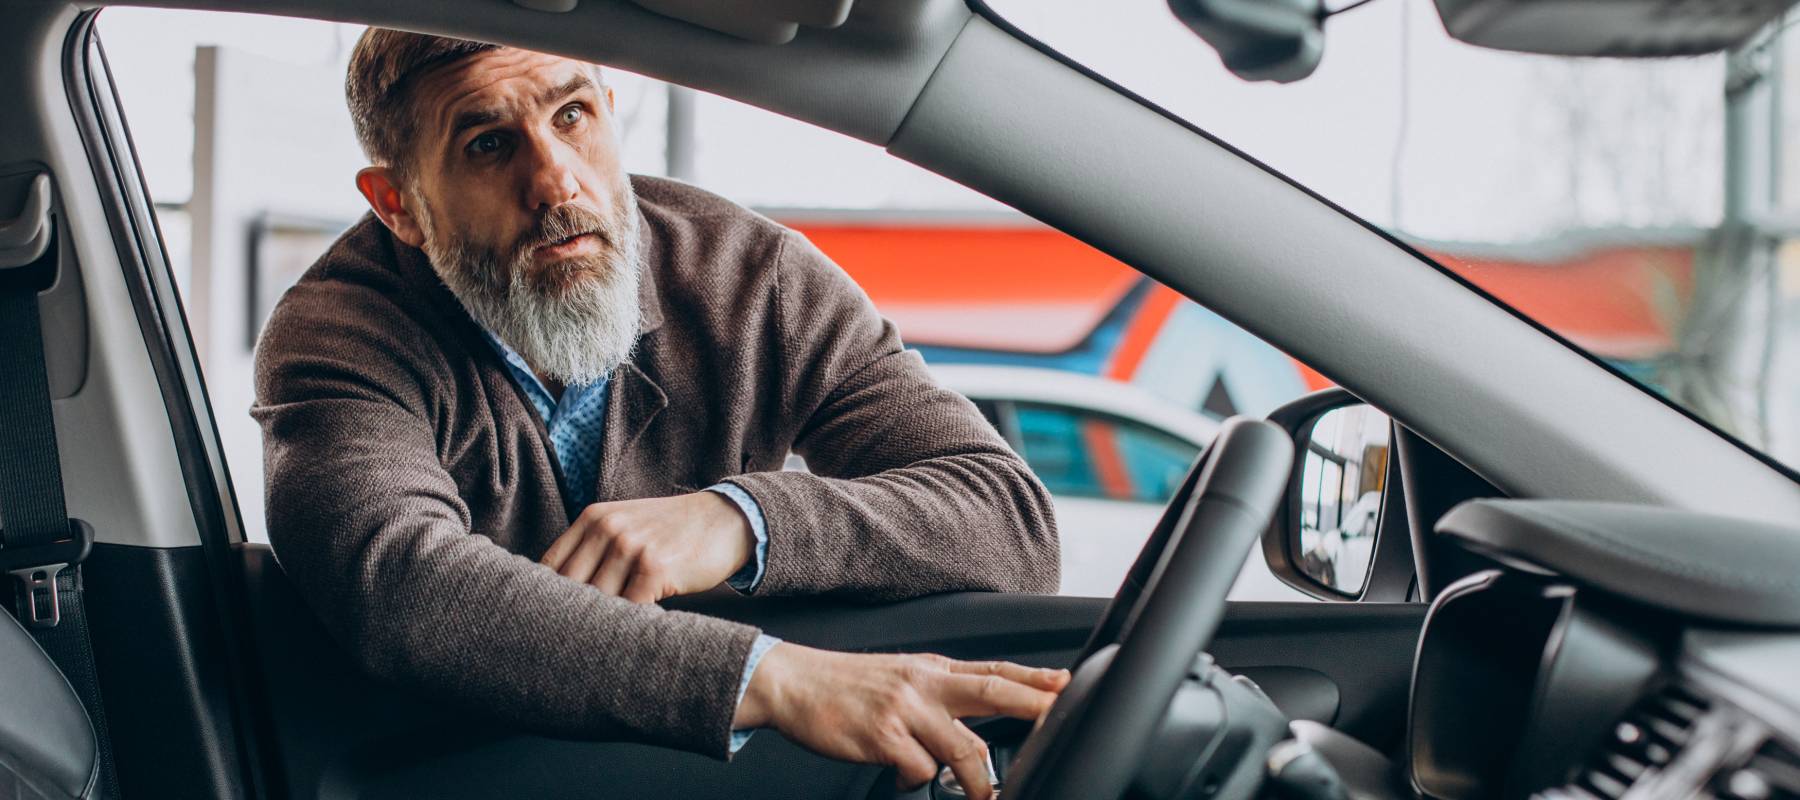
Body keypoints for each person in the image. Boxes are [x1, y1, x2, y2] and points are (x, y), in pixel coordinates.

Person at [251, 29, 1065, 798]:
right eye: (488, 145)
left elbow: (1010, 524)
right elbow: (404, 589)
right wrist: (775, 678)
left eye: (573, 116)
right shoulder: (340, 334)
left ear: (609, 106)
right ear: (400, 204)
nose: (557, 181)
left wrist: (738, 521)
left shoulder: (752, 279)